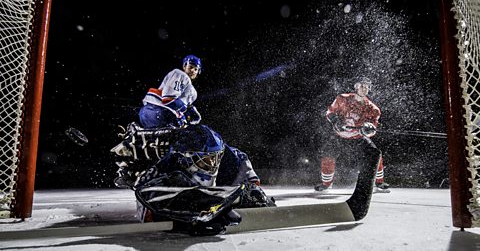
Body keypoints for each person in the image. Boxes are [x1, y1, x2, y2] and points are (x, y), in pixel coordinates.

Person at [111, 124, 275, 235]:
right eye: (207, 161)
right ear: (186, 159)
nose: (214, 165)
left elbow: (251, 182)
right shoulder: (163, 171)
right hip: (158, 185)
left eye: (216, 158)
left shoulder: (232, 159)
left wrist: (250, 191)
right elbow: (150, 204)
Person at [314, 77, 389, 193]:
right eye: (362, 86)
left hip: (358, 138)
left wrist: (368, 131)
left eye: (367, 87)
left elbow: (373, 129)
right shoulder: (342, 98)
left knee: (375, 153)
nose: (365, 89)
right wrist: (335, 121)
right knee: (327, 154)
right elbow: (329, 112)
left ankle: (379, 182)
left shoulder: (373, 109)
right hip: (339, 136)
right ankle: (326, 184)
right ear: (356, 87)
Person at [139, 55, 202, 129]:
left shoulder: (193, 92)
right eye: (190, 67)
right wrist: (184, 113)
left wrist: (189, 111)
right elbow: (168, 99)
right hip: (156, 110)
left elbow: (177, 106)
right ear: (184, 66)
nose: (192, 71)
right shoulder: (180, 74)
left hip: (157, 115)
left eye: (196, 69)